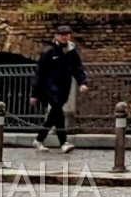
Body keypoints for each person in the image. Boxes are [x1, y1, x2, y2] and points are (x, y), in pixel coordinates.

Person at [30, 25, 88, 153]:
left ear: (69, 36)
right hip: (49, 88)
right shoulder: (49, 52)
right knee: (57, 110)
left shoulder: (72, 52)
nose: (64, 37)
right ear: (57, 36)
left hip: (64, 87)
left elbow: (78, 68)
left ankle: (39, 139)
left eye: (66, 34)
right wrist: (35, 94)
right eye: (62, 34)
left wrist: (82, 82)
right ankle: (64, 142)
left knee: (54, 114)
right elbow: (40, 73)